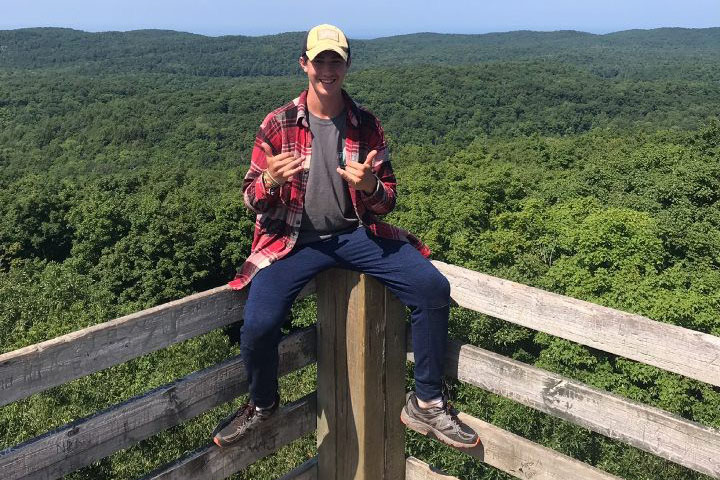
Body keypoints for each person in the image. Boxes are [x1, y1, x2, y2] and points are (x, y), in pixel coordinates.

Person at [212, 24, 479, 449]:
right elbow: (250, 199)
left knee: (432, 288)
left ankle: (426, 402)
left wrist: (371, 188)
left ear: (348, 64)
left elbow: (388, 200)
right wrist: (268, 180)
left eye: (336, 60)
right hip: (293, 241)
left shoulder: (365, 124)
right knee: (260, 325)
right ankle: (263, 405)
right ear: (304, 64)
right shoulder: (278, 123)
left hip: (356, 234)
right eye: (320, 61)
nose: (328, 70)